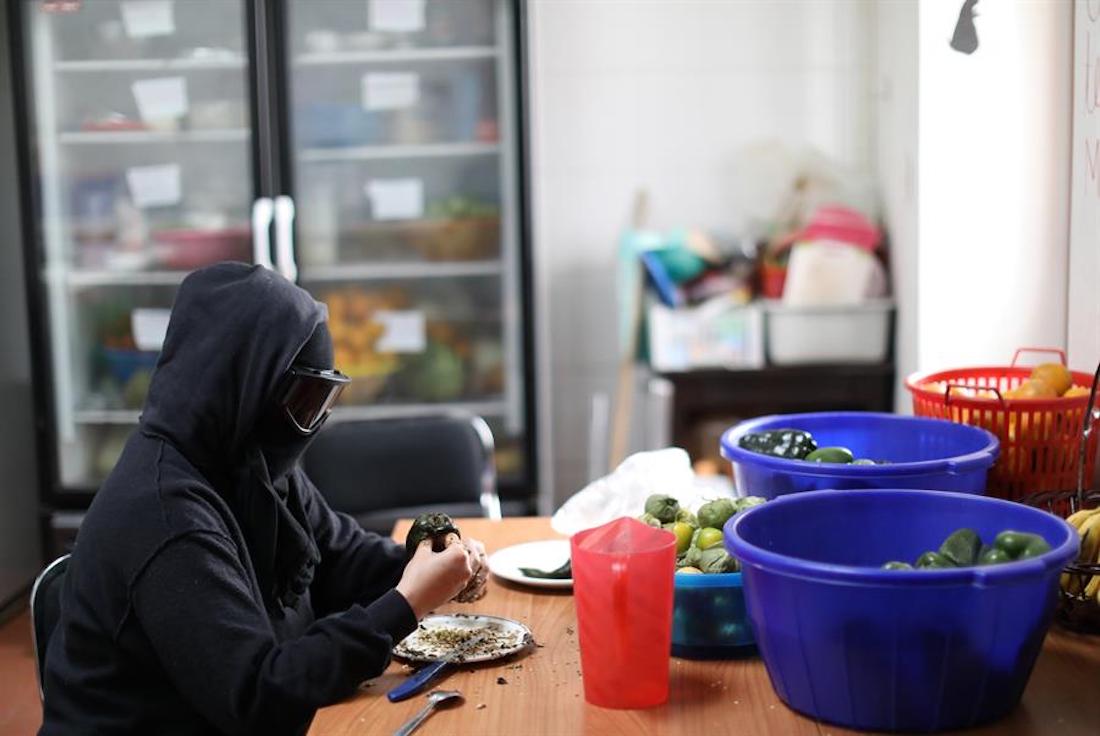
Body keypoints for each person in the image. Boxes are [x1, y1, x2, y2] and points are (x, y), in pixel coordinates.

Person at [40, 263, 488, 735]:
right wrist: (408, 601)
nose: (313, 422)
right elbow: (259, 697)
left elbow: (339, 557)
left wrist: (432, 562)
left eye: (326, 399)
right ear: (246, 383)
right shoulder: (165, 518)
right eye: (306, 400)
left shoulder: (248, 461)